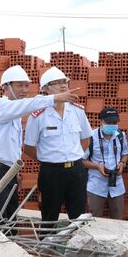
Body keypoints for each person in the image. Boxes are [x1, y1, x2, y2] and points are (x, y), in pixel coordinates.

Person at [0, 65, 79, 225]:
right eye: (20, 85)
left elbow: (13, 146)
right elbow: (28, 105)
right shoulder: (0, 105)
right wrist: (55, 98)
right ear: (6, 87)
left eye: (27, 85)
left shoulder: (16, 113)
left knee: (9, 217)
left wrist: (15, 172)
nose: (24, 90)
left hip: (8, 172)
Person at [24, 66, 92, 230]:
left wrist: (73, 156)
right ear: (46, 89)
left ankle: (75, 249)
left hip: (76, 170)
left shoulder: (77, 110)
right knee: (49, 215)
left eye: (65, 82)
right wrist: (49, 159)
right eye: (57, 83)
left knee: (78, 217)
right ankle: (46, 250)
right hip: (51, 173)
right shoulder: (38, 114)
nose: (63, 86)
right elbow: (29, 147)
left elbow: (85, 139)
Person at [83, 107, 128, 220]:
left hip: (117, 185)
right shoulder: (91, 137)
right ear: (101, 121)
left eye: (114, 122)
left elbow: (126, 153)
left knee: (118, 219)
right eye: (108, 122)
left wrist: (122, 163)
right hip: (96, 185)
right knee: (94, 219)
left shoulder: (120, 135)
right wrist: (98, 167)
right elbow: (82, 161)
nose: (112, 125)